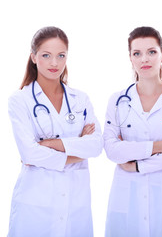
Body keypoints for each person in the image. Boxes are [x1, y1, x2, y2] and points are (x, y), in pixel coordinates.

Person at [7, 26, 103, 237]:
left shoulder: (80, 99)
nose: (54, 63)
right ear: (33, 57)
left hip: (75, 205)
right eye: (46, 55)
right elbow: (30, 154)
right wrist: (78, 147)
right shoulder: (20, 100)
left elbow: (96, 146)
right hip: (35, 206)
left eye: (61, 56)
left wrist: (52, 145)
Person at [103, 26, 162, 237]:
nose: (145, 59)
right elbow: (112, 150)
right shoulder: (117, 100)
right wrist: (159, 146)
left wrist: (137, 166)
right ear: (130, 58)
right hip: (126, 200)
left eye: (151, 52)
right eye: (137, 53)